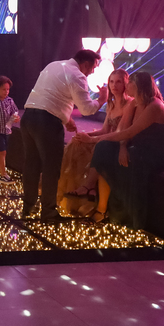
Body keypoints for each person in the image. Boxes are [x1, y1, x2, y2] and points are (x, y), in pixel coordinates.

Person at [76, 70, 164, 229]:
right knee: (104, 148)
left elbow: (130, 132)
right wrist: (122, 146)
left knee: (126, 156)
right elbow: (121, 130)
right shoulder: (135, 103)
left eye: (129, 84)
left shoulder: (155, 106)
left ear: (138, 86)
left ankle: (122, 213)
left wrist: (92, 139)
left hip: (157, 153)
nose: (126, 86)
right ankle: (95, 196)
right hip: (137, 147)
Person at [19, 49, 108, 222]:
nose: (92, 72)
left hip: (28, 118)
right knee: (51, 168)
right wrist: (102, 99)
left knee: (31, 164)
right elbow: (86, 109)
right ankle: (48, 212)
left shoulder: (53, 65)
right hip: (47, 124)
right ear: (86, 64)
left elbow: (49, 97)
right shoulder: (77, 75)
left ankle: (28, 207)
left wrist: (66, 119)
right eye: (93, 67)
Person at [59, 68, 130, 216]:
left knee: (94, 147)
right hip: (106, 139)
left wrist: (91, 139)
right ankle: (74, 194)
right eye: (111, 82)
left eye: (118, 82)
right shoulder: (111, 104)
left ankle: (88, 189)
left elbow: (119, 133)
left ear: (125, 84)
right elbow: (104, 130)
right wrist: (86, 135)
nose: (114, 85)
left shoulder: (130, 104)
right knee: (76, 143)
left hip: (119, 142)